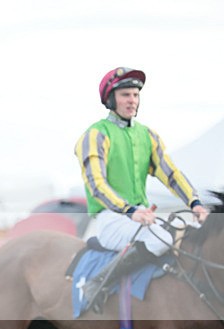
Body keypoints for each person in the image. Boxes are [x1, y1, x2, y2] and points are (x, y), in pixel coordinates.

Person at [74, 67, 209, 312]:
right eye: (126, 94)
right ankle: (97, 283)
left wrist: (195, 203)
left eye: (136, 95)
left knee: (185, 232)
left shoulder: (147, 135)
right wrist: (130, 210)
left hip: (141, 217)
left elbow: (171, 174)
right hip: (110, 219)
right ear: (110, 99)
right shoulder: (95, 135)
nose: (132, 100)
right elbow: (96, 185)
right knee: (162, 239)